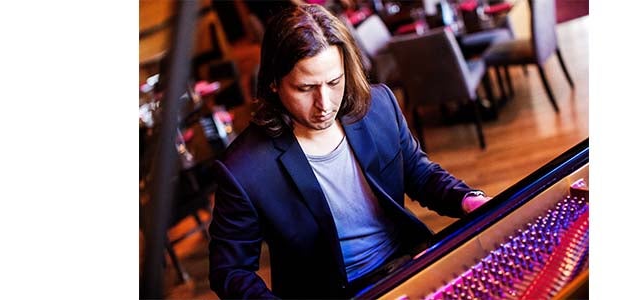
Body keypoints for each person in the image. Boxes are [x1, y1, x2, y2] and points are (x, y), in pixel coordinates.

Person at [208, 4, 492, 299]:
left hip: (409, 264)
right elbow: (229, 270)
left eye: (334, 82)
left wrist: (465, 198)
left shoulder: (379, 106)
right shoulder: (243, 169)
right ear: (274, 84)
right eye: (305, 88)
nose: (325, 103)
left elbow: (419, 173)